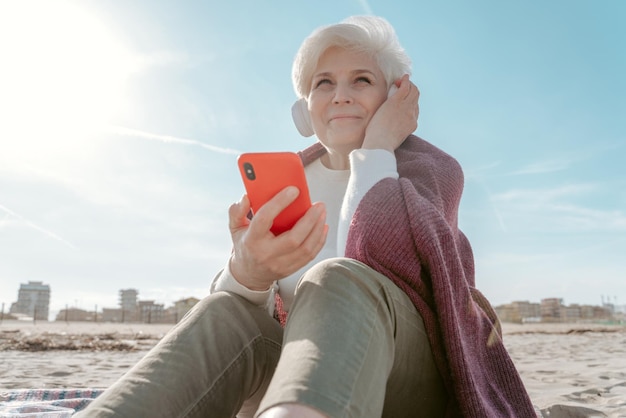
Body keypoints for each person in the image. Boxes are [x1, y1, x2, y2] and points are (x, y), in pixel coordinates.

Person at [76, 15, 536, 417]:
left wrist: (376, 149)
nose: (340, 95)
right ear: (305, 109)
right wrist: (247, 274)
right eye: (324, 83)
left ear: (396, 97)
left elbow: (374, 252)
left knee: (337, 276)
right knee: (224, 310)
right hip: (296, 376)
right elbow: (247, 318)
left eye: (362, 80)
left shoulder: (432, 171)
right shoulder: (289, 182)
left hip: (406, 378)